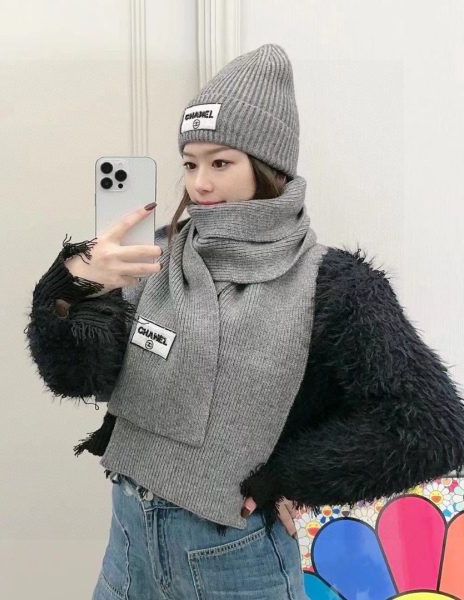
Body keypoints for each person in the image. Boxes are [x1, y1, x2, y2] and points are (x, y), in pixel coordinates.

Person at [24, 44, 464, 600]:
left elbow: (429, 427)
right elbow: (76, 377)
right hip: (129, 544)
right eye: (190, 163)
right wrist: (70, 287)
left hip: (235, 560)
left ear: (267, 166)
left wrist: (289, 475)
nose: (199, 184)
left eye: (220, 163)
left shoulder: (333, 285)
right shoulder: (152, 259)